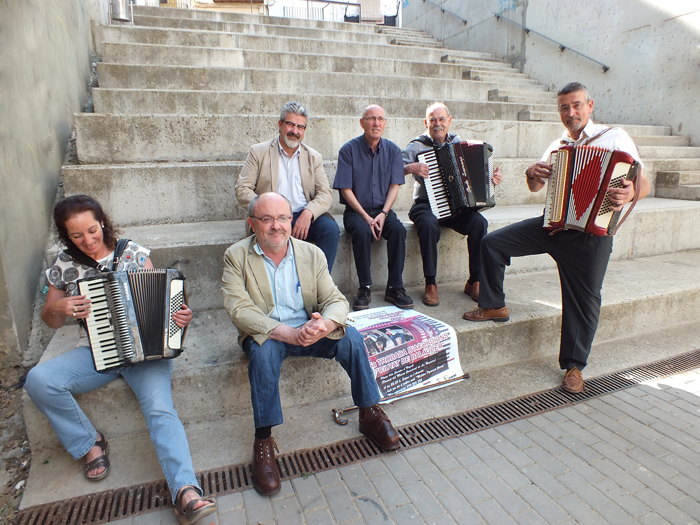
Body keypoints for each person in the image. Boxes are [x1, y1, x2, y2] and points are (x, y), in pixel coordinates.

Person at [24, 195, 215, 525]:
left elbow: (164, 304)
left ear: (102, 222)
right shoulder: (64, 265)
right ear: (65, 236)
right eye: (77, 235)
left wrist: (179, 317)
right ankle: (89, 443)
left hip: (147, 354)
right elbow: (50, 320)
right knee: (39, 380)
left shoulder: (133, 253)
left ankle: (186, 492)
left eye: (92, 229)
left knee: (159, 409)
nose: (88, 239)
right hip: (99, 353)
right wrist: (58, 308)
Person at [463, 82, 651, 394]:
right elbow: (535, 188)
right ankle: (494, 305)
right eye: (564, 107)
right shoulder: (558, 144)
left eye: (576, 105)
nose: (570, 112)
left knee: (584, 301)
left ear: (590, 106)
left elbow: (643, 184)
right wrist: (531, 173)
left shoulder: (615, 138)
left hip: (592, 235)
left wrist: (631, 191)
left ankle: (575, 367)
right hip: (554, 225)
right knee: (492, 243)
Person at [221, 192, 400, 496]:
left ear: (291, 221)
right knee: (263, 355)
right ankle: (263, 442)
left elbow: (335, 300)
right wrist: (287, 333)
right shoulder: (236, 256)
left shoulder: (311, 254)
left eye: (282, 218)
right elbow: (239, 309)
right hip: (270, 333)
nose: (275, 226)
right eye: (266, 219)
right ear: (253, 224)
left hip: (308, 330)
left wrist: (324, 324)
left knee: (351, 338)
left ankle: (369, 412)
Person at [402, 102, 503, 306]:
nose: (437, 123)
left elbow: (471, 176)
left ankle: (474, 280)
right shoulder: (416, 145)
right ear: (426, 122)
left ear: (449, 121)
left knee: (479, 223)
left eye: (441, 119)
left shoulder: (458, 142)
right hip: (424, 204)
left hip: (453, 206)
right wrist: (410, 168)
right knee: (429, 224)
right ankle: (431, 284)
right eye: (432, 119)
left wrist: (490, 179)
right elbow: (392, 169)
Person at [236, 101, 340, 271]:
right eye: (290, 124)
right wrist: (266, 210)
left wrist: (308, 213)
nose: (295, 131)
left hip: (302, 214)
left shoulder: (313, 157)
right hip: (270, 217)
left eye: (300, 127)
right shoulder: (259, 152)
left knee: (330, 229)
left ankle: (321, 285)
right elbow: (242, 189)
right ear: (280, 124)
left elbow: (325, 193)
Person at [332, 105, 413, 311]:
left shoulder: (394, 150)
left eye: (380, 119)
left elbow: (395, 186)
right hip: (356, 211)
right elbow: (345, 189)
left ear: (384, 123)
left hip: (382, 209)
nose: (376, 123)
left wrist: (384, 213)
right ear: (362, 123)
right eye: (371, 118)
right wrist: (367, 217)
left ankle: (395, 287)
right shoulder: (348, 150)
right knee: (360, 231)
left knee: (398, 230)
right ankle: (364, 287)